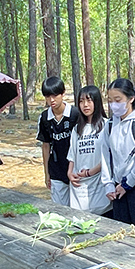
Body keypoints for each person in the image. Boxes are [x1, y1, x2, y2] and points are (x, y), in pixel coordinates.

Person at [100, 78, 135, 231]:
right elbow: (105, 155)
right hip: (118, 188)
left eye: (118, 100)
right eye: (110, 100)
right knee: (121, 233)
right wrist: (108, 184)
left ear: (131, 98)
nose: (113, 105)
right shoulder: (110, 125)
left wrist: (128, 183)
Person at [67, 85, 111, 216]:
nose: (85, 105)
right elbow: (72, 155)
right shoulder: (77, 129)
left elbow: (109, 156)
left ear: (97, 102)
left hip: (98, 183)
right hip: (79, 185)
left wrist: (91, 172)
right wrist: (70, 173)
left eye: (89, 100)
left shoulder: (106, 125)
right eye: (81, 101)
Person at [37, 76, 79, 206]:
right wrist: (46, 172)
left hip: (77, 169)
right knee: (60, 209)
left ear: (63, 93)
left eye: (55, 95)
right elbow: (45, 145)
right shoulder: (45, 117)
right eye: (48, 96)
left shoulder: (75, 114)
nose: (51, 100)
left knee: (79, 210)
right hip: (56, 169)